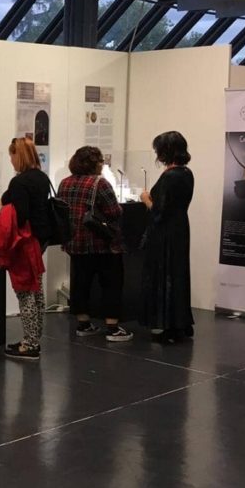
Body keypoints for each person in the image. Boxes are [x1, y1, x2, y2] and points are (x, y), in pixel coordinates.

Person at [58, 146, 132, 342]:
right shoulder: (100, 183)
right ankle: (112, 327)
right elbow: (114, 212)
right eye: (100, 161)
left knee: (80, 284)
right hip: (101, 243)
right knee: (111, 283)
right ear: (93, 163)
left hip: (75, 242)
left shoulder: (65, 183)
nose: (102, 165)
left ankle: (83, 324)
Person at [0, 137, 51, 360]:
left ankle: (30, 344)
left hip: (25, 241)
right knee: (36, 290)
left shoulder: (19, 182)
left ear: (19, 155)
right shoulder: (41, 178)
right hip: (40, 239)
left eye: (12, 155)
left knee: (25, 291)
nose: (10, 160)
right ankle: (34, 338)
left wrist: (0, 209)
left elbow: (20, 214)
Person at [140, 131, 194, 343]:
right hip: (180, 228)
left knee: (166, 276)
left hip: (165, 233)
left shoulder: (170, 176)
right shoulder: (186, 173)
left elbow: (159, 212)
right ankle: (181, 323)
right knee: (178, 274)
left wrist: (146, 198)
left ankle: (170, 327)